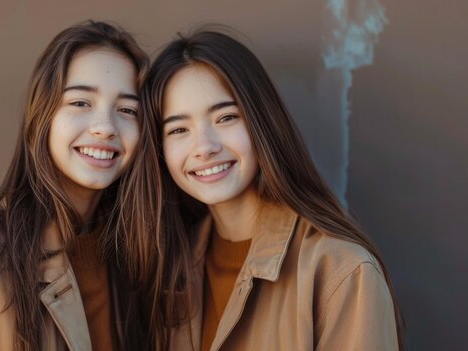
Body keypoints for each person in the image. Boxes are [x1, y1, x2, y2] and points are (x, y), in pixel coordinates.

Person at [119, 29, 403, 350]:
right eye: (179, 129)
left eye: (226, 117)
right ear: (158, 147)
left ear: (261, 122)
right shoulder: (168, 272)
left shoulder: (342, 271)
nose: (205, 147)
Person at [0, 21, 148, 351]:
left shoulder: (145, 253)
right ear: (43, 115)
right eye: (81, 103)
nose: (105, 127)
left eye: (127, 110)